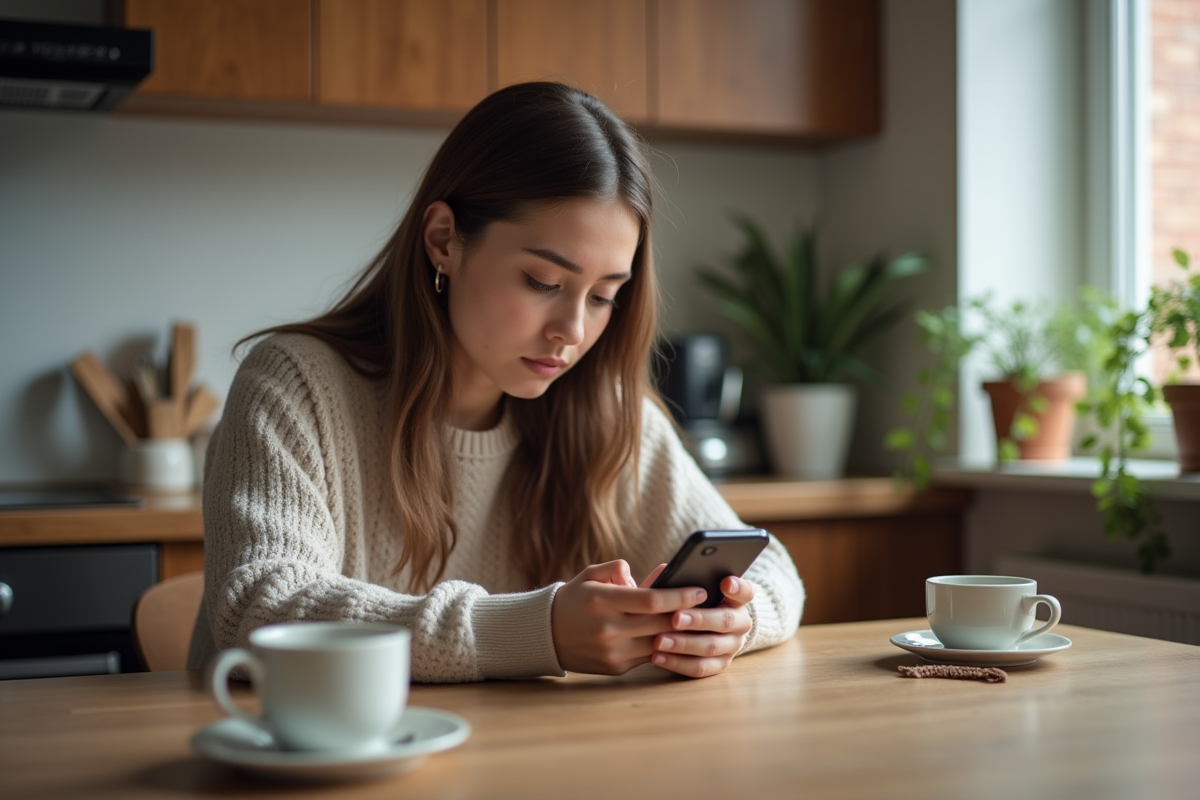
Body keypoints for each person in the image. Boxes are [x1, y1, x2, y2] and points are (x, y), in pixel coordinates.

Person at [187, 82, 804, 682]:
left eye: (604, 296)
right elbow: (259, 607)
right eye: (542, 282)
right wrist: (535, 631)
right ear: (443, 241)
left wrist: (728, 623)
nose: (572, 330)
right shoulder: (294, 384)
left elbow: (775, 573)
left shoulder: (607, 412)